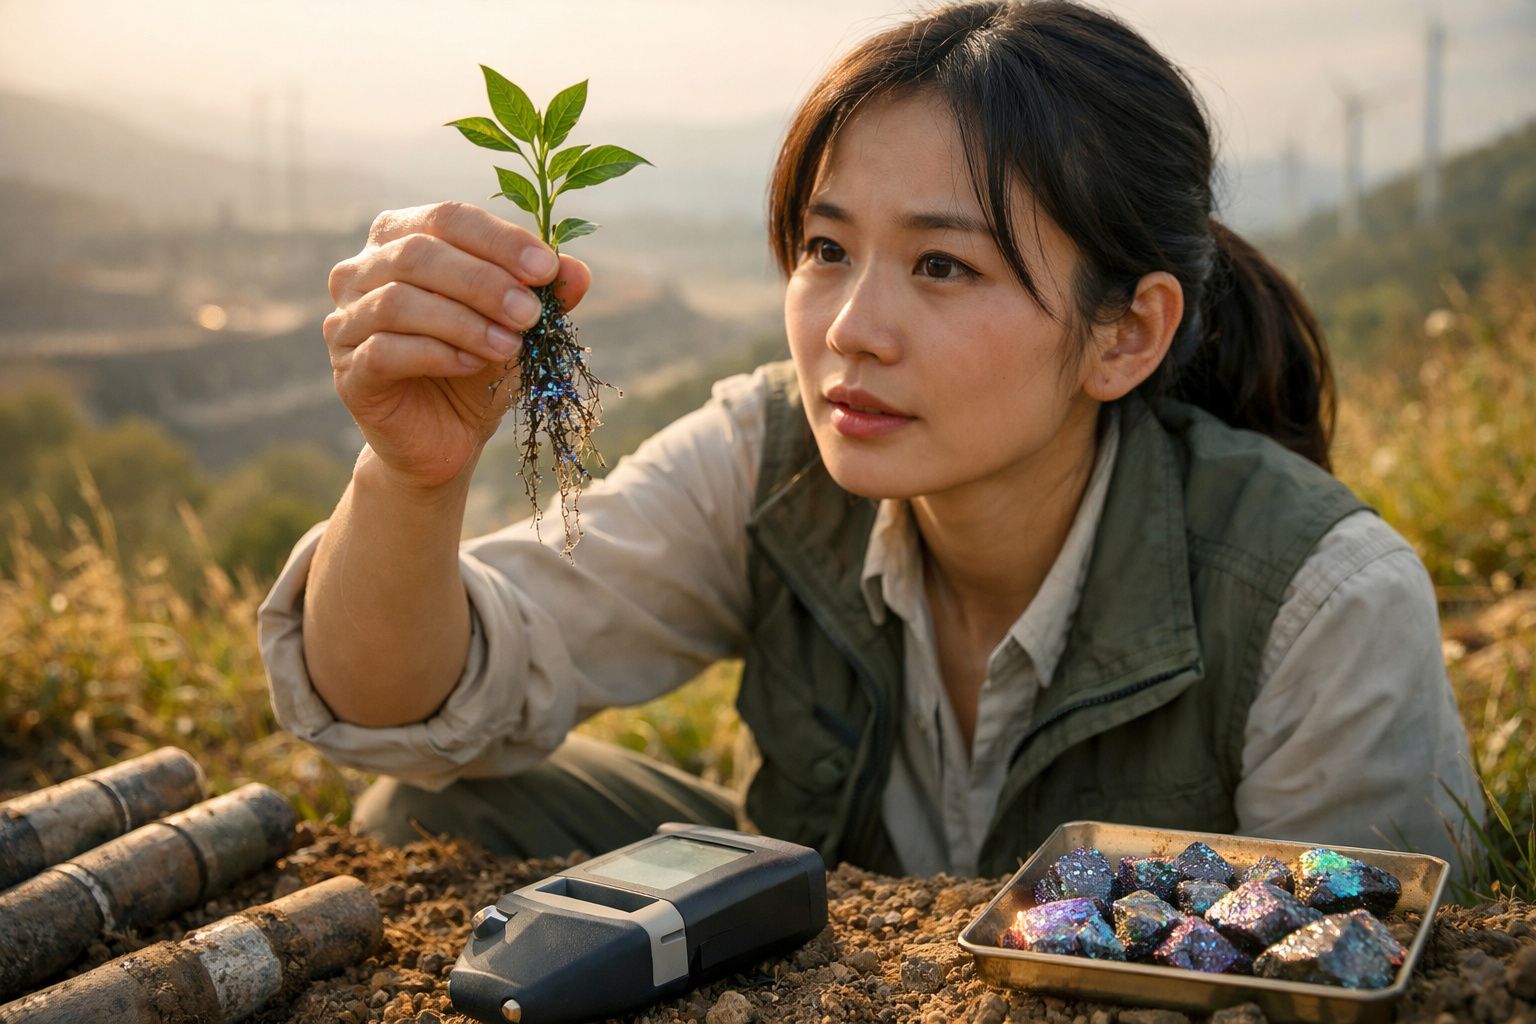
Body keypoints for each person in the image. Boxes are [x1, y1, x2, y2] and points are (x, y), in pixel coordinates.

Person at [260, 0, 1479, 877]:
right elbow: (405, 696)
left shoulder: (1323, 601)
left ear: (1125, 334)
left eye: (943, 265)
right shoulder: (772, 458)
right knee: (442, 805)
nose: (850, 328)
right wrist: (416, 475)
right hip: (825, 963)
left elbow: (1344, 962)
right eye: (828, 249)